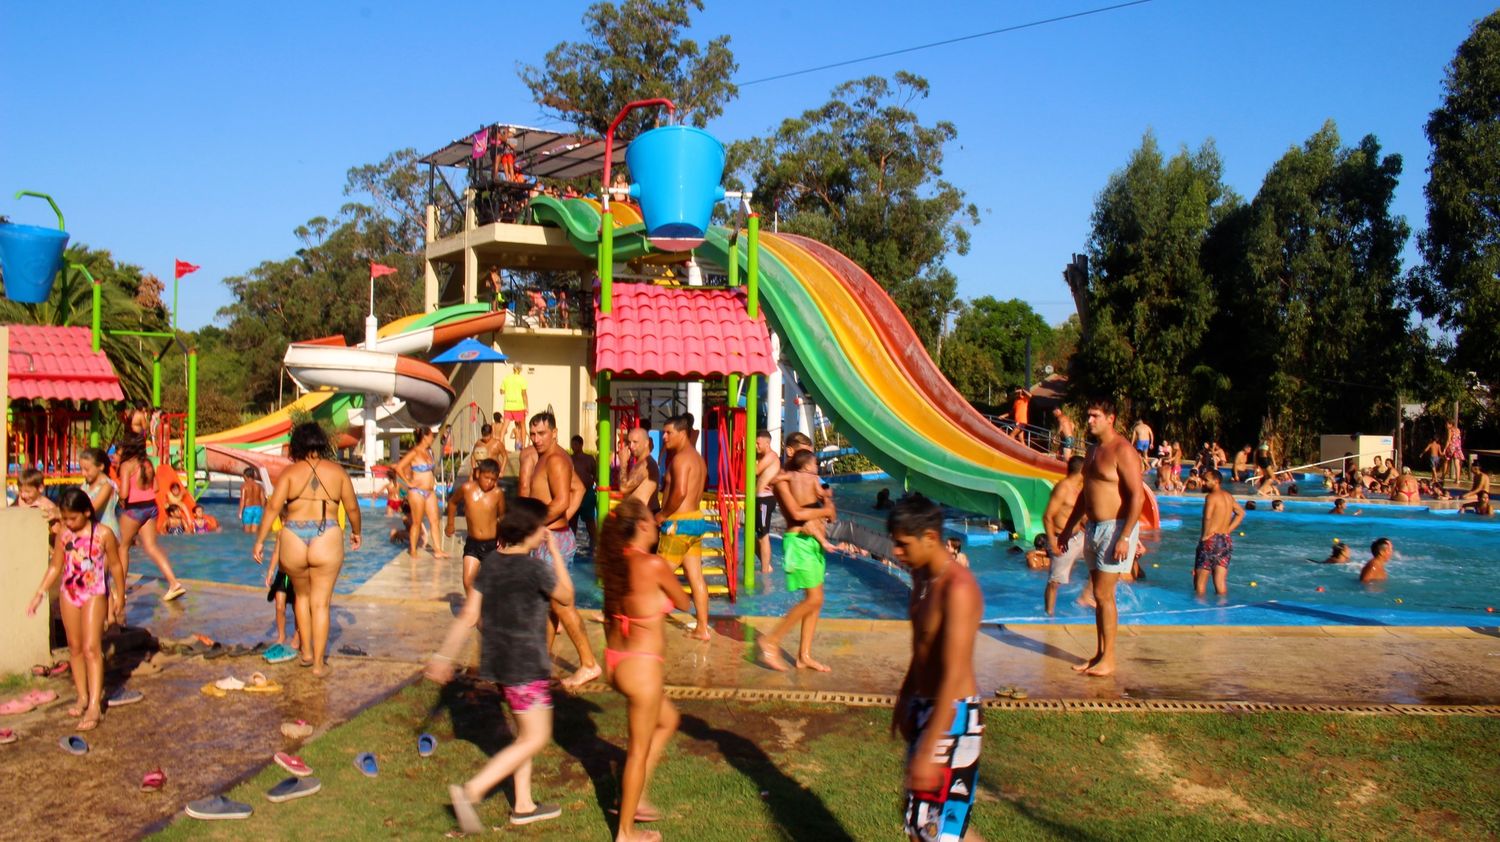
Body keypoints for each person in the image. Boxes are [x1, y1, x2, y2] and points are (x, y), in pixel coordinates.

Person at [428, 498, 571, 832]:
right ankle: (472, 791)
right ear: (532, 530)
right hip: (526, 666)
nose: (545, 532)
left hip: (501, 666)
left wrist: (444, 656)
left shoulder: (491, 562)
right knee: (536, 737)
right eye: (542, 526)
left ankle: (523, 805)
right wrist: (556, 554)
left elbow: (469, 615)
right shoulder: (535, 569)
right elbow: (566, 596)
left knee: (523, 735)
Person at [887, 496, 984, 842]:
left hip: (953, 715)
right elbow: (922, 647)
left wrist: (931, 746)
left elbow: (954, 673)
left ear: (929, 537)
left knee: (936, 832)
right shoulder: (921, 576)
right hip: (925, 707)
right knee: (922, 825)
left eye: (903, 544)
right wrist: (905, 698)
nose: (896, 551)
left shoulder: (958, 589)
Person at [597, 499, 693, 841]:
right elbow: (684, 602)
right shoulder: (653, 564)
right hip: (642, 668)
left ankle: (634, 798)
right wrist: (674, 557)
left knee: (668, 720)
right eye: (653, 521)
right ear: (640, 526)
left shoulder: (615, 563)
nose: (657, 524)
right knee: (637, 752)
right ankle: (625, 832)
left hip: (617, 661)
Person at [252, 422, 361, 677]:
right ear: (321, 443)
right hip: (327, 534)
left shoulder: (290, 473)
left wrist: (259, 541)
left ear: (297, 445)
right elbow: (352, 508)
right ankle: (319, 665)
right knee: (320, 604)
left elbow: (273, 507)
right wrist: (356, 531)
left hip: (293, 536)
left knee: (301, 598)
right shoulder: (337, 472)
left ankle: (307, 653)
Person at [25, 489, 124, 732]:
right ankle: (82, 696)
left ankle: (94, 705)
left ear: (87, 512)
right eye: (65, 518)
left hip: (94, 592)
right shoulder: (64, 534)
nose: (68, 523)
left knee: (91, 648)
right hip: (69, 592)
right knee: (75, 647)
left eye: (73, 518)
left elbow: (115, 565)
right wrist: (39, 593)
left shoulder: (103, 534)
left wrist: (119, 595)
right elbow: (56, 566)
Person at [1059, 397, 1143, 678]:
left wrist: (1125, 536)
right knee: (1097, 594)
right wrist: (1068, 528)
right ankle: (1099, 654)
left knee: (1104, 595)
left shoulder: (1123, 450)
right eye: (1089, 415)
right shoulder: (1093, 450)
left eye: (1095, 416)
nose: (1089, 420)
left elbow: (1137, 497)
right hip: (1093, 528)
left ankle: (1109, 659)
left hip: (1115, 528)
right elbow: (1085, 494)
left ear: (1111, 419)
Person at [523, 412, 601, 688]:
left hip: (552, 540)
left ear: (554, 433)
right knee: (550, 604)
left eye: (542, 434)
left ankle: (589, 663)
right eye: (533, 434)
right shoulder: (549, 457)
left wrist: (531, 526)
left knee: (561, 604)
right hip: (551, 536)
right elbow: (578, 488)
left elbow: (560, 501)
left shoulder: (555, 459)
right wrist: (562, 519)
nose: (536, 439)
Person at [759, 450, 834, 671]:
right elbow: (797, 514)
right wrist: (824, 510)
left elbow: (830, 510)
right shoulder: (786, 481)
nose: (814, 467)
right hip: (799, 543)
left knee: (817, 600)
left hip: (813, 543)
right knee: (813, 598)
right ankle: (771, 640)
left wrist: (827, 502)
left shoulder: (805, 479)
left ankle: (804, 656)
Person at [656, 415, 714, 641]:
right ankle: (702, 628)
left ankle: (638, 625)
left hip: (678, 524)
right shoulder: (698, 459)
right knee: (696, 577)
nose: (664, 437)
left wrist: (662, 515)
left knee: (654, 576)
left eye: (668, 432)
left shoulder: (680, 459)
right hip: (696, 520)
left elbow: (679, 492)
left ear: (682, 433)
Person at [113, 437, 187, 601]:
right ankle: (174, 583)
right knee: (152, 546)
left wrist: (117, 491)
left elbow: (124, 494)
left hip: (134, 509)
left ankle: (120, 591)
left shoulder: (127, 466)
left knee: (122, 547)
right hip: (151, 507)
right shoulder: (147, 463)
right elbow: (156, 488)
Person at [446, 459, 506, 599]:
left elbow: (502, 516)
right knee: (468, 581)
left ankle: (488, 607)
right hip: (473, 543)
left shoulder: (497, 493)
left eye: (493, 480)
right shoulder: (467, 489)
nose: (489, 482)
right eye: (486, 478)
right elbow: (453, 502)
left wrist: (503, 536)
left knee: (491, 584)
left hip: (491, 544)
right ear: (478, 474)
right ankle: (476, 608)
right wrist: (450, 524)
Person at [1043, 455, 1088, 616]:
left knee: (1101, 561)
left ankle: (1085, 597)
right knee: (1055, 582)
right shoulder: (1063, 488)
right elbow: (1047, 516)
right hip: (1061, 540)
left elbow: (1080, 514)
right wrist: (1052, 542)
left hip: (1079, 536)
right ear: (1082, 470)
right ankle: (1049, 615)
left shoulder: (1080, 489)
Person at [396, 427, 447, 559]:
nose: (433, 438)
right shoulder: (414, 452)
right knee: (417, 522)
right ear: (425, 437)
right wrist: (408, 482)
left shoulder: (429, 451)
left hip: (430, 491)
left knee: (434, 521)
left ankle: (438, 550)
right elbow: (399, 467)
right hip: (417, 492)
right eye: (431, 435)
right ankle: (413, 550)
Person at [1194, 470, 1244, 597]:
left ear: (1216, 481)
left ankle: (1198, 607)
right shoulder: (1228, 496)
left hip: (1210, 540)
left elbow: (1207, 517)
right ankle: (1222, 607)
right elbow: (1241, 513)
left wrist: (1204, 537)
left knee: (1200, 583)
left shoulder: (1211, 497)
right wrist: (1227, 530)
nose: (1203, 483)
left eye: (1206, 480)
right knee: (1220, 583)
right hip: (1225, 540)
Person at [264, 532, 299, 651]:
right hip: (282, 575)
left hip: (297, 575)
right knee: (279, 606)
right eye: (282, 522)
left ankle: (297, 635)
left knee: (297, 608)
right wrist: (270, 571)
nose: (284, 524)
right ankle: (281, 636)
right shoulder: (281, 533)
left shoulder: (300, 532)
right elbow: (276, 552)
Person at [753, 429, 779, 574]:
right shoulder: (762, 457)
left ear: (767, 443)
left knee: (763, 536)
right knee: (754, 535)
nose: (755, 446)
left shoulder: (771, 456)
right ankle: (766, 565)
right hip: (759, 499)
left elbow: (755, 471)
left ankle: (765, 570)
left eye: (758, 443)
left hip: (765, 500)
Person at [619, 428, 661, 513]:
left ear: (646, 443)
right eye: (629, 442)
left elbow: (624, 488)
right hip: (638, 514)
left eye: (635, 442)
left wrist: (623, 464)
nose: (631, 446)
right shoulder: (640, 462)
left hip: (645, 514)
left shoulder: (646, 464)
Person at [569, 434, 598, 548]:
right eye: (572, 445)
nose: (573, 447)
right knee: (572, 520)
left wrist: (593, 484)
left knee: (590, 521)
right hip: (573, 493)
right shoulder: (569, 458)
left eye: (575, 444)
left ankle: (594, 544)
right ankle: (571, 545)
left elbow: (595, 474)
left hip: (587, 493)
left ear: (581, 445)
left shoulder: (589, 458)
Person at [16, 468, 60, 535]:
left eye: (27, 492)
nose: (23, 495)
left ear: (40, 488)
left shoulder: (48, 507)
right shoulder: (20, 500)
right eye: (20, 491)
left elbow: (56, 531)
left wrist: (50, 531)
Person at [499, 364, 529, 453]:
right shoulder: (522, 379)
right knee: (523, 426)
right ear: (520, 370)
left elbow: (501, 391)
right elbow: (524, 394)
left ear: (513, 369)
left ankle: (500, 445)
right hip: (519, 406)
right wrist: (526, 406)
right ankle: (523, 446)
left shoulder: (506, 378)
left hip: (508, 405)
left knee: (504, 427)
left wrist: (509, 391)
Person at [239, 467, 267, 533]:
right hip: (258, 509)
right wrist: (263, 510)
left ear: (246, 476)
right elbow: (263, 499)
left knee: (247, 532)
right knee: (254, 532)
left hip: (248, 509)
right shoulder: (259, 486)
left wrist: (240, 512)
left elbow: (242, 499)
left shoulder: (244, 486)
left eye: (243, 476)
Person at [1443, 419, 1464, 484]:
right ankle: (1457, 479)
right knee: (1457, 464)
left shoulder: (1450, 430)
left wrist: (1444, 449)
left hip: (1451, 447)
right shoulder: (1458, 430)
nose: (1446, 425)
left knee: (1446, 461)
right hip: (1458, 447)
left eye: (1447, 424)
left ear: (1451, 424)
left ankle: (1443, 476)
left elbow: (1448, 440)